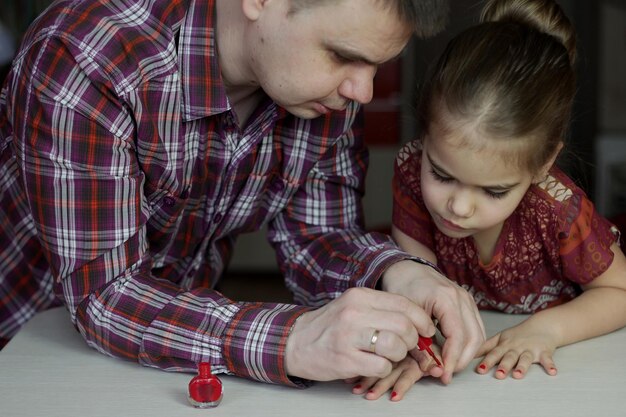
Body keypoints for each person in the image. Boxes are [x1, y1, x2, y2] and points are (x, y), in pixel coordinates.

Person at [0, 0, 485, 390]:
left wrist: (396, 274)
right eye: (343, 55)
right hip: (25, 354)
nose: (362, 90)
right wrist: (292, 340)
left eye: (377, 64)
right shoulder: (86, 56)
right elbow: (106, 296)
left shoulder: (326, 94)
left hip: (173, 358)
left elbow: (319, 236)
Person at [352, 0, 626, 401]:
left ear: (542, 165)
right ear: (425, 137)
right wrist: (416, 342)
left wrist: (546, 330)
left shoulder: (557, 209)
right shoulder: (411, 171)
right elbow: (412, 271)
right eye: (442, 175)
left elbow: (619, 293)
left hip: (547, 384)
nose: (458, 208)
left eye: (494, 191)